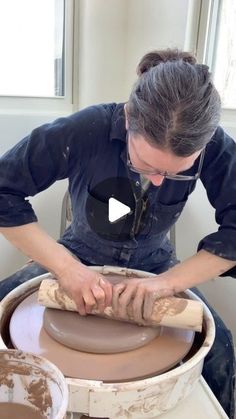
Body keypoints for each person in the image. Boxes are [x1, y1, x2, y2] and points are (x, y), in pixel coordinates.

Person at [0, 49, 235, 417]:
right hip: (77, 254)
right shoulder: (84, 130)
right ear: (129, 119)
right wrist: (66, 267)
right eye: (146, 164)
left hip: (157, 265)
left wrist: (166, 284)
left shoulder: (213, 145)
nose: (157, 181)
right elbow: (2, 190)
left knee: (220, 347)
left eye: (175, 173)